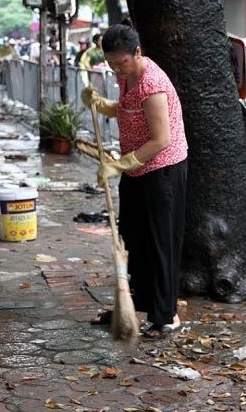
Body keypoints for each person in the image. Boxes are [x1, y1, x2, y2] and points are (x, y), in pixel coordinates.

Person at [80, 23, 188, 339]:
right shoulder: (128, 77)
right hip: (136, 169)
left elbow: (160, 140)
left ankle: (166, 314)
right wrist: (100, 105)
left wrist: (119, 165)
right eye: (111, 64)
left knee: (160, 242)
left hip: (162, 170)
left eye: (121, 63)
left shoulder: (152, 84)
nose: (116, 69)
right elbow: (126, 109)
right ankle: (134, 302)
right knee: (132, 239)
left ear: (137, 53)